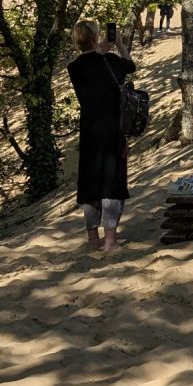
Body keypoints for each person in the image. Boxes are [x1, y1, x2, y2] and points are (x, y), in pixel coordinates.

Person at [66, 20, 136, 253]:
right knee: (111, 183)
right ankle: (110, 241)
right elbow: (130, 66)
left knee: (89, 182)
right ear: (96, 38)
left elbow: (91, 61)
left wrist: (102, 46)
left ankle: (92, 238)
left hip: (88, 131)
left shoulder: (74, 68)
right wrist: (119, 44)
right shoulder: (110, 61)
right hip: (111, 129)